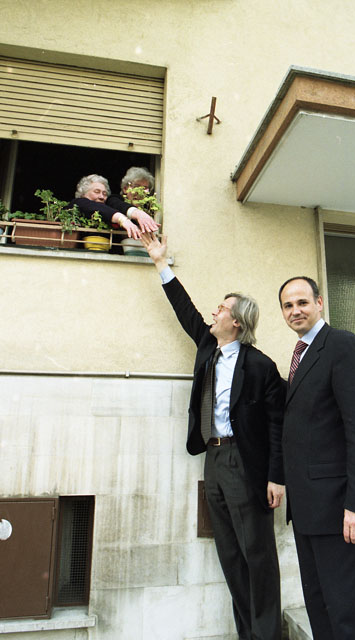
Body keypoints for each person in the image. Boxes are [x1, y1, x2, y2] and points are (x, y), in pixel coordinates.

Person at [141, 232, 286, 640]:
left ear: (236, 322)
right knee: (230, 555)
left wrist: (277, 477)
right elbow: (184, 308)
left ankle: (268, 635)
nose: (213, 312)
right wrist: (160, 262)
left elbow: (277, 425)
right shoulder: (208, 346)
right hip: (214, 458)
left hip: (246, 463)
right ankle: (248, 633)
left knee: (258, 555)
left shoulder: (260, 366)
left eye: (221, 309)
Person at [278, 276, 355, 640]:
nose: (295, 310)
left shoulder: (342, 345)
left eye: (302, 302)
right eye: (288, 305)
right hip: (309, 513)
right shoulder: (302, 355)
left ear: (320, 303)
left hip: (343, 513)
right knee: (323, 612)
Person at [70, 174, 158, 239]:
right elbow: (89, 205)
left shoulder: (108, 209)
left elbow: (113, 204)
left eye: (104, 194)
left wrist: (139, 214)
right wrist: (122, 219)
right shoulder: (77, 203)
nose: (101, 197)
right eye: (97, 192)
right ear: (83, 194)